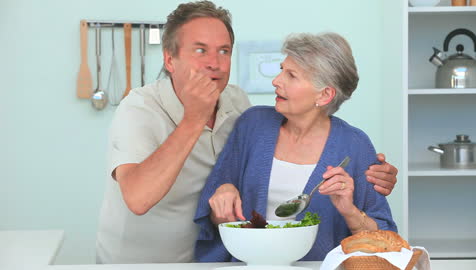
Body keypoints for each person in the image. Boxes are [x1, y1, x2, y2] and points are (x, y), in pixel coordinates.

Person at [96, 0, 398, 264]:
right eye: (200, 50)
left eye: (224, 51)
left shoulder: (239, 104)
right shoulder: (139, 109)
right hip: (142, 261)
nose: (214, 63)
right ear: (169, 59)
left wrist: (374, 175)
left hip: (207, 261)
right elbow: (139, 198)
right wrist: (196, 121)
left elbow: (384, 237)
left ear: (325, 95)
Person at [194, 32, 397, 262]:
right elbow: (211, 213)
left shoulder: (355, 145)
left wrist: (349, 210)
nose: (276, 81)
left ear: (325, 94)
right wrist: (223, 193)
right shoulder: (253, 124)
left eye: (291, 75)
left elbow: (385, 238)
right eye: (281, 69)